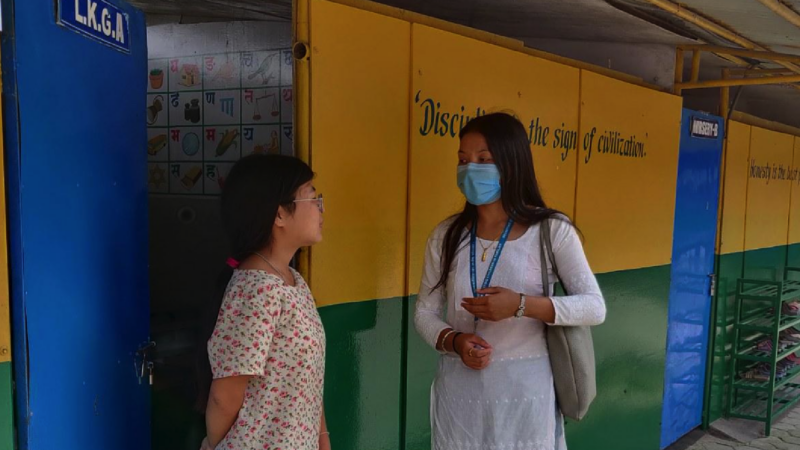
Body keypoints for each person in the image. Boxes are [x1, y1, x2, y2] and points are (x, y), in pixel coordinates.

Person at [415, 112, 606, 450]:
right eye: (463, 160)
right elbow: (424, 313)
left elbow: (593, 307)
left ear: (511, 163)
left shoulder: (551, 230)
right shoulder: (446, 236)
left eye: (483, 160)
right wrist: (455, 341)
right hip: (460, 402)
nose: (469, 169)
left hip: (526, 401)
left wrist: (521, 305)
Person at [197, 154, 330, 450]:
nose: (321, 208)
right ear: (279, 215)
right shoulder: (256, 290)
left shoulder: (293, 281)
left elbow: (309, 381)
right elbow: (224, 396)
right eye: (312, 196)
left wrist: (322, 439)